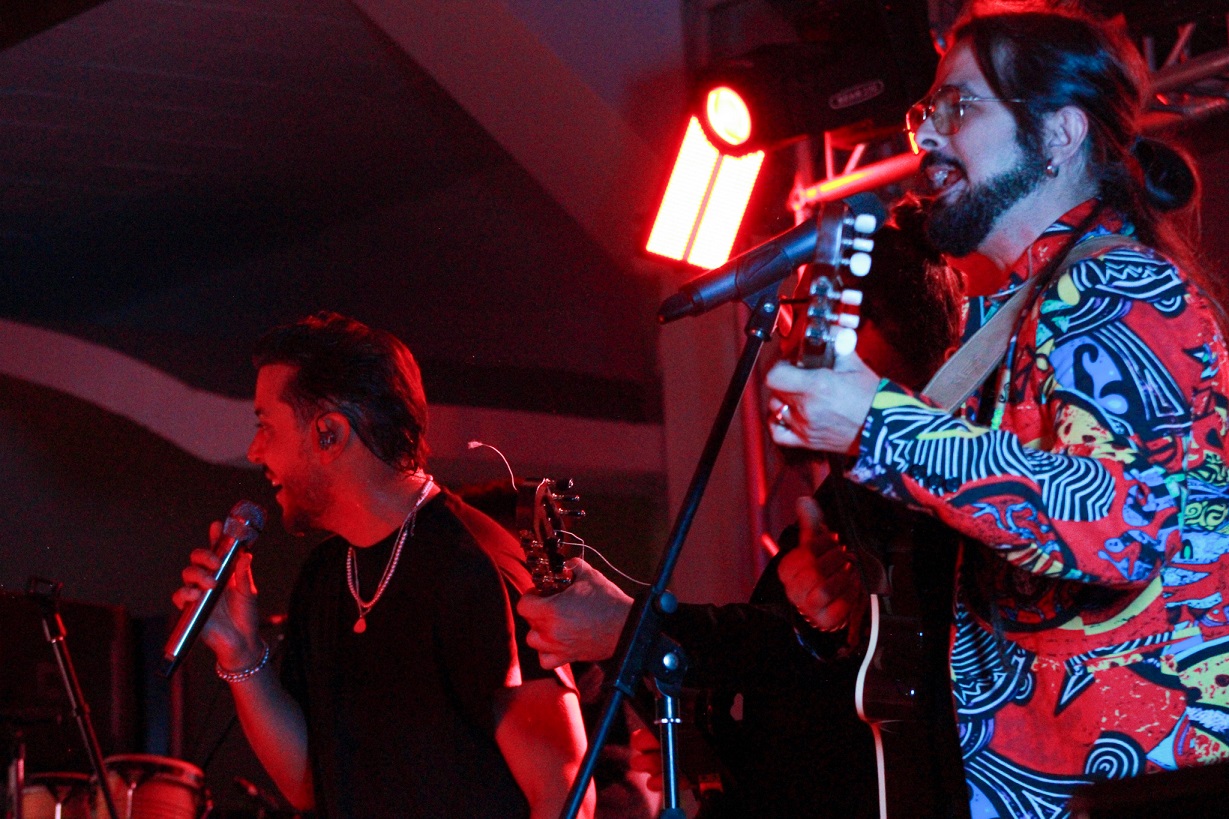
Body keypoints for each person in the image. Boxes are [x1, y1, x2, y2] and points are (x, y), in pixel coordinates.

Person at [765, 9, 1229, 817]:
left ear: (1057, 133)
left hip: (1137, 784)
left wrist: (877, 424)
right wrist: (859, 591)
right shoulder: (1012, 315)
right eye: (925, 113)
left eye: (960, 108)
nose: (926, 139)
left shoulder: (1117, 286)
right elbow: (1006, 541)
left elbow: (1123, 526)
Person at [519, 203, 968, 818]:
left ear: (862, 329)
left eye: (802, 315)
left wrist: (634, 632)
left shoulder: (933, 498)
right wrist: (702, 753)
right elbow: (814, 741)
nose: (782, 339)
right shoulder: (834, 511)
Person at [172, 312, 595, 818]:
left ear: (329, 434)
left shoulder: (474, 570)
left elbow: (564, 791)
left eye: (265, 425)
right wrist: (241, 655)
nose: (254, 450)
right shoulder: (325, 576)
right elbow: (312, 786)